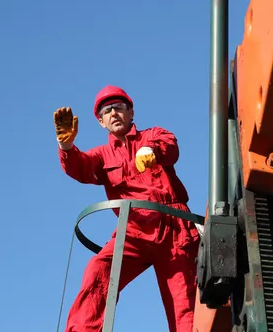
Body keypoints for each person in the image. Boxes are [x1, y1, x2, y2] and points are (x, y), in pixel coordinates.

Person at [54, 85, 200, 332]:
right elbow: (81, 167)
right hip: (133, 231)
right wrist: (67, 148)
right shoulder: (102, 155)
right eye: (107, 111)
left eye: (119, 108)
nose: (113, 113)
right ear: (101, 122)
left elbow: (170, 146)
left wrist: (152, 150)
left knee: (183, 305)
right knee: (98, 270)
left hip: (173, 229)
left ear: (131, 113)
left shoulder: (152, 134)